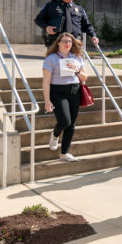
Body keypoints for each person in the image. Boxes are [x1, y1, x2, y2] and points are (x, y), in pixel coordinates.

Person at [41, 33, 88, 163]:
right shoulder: (51, 58)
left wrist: (77, 70)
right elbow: (46, 81)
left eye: (70, 41)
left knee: (71, 124)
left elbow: (85, 77)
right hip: (57, 91)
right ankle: (55, 134)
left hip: (74, 90)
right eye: (64, 41)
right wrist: (47, 100)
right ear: (58, 43)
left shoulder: (76, 57)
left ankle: (64, 153)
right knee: (65, 121)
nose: (67, 43)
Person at [34, 0, 98, 48]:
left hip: (75, 44)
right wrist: (47, 27)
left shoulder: (79, 8)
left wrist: (93, 36)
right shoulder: (51, 6)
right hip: (56, 43)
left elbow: (87, 25)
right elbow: (38, 19)